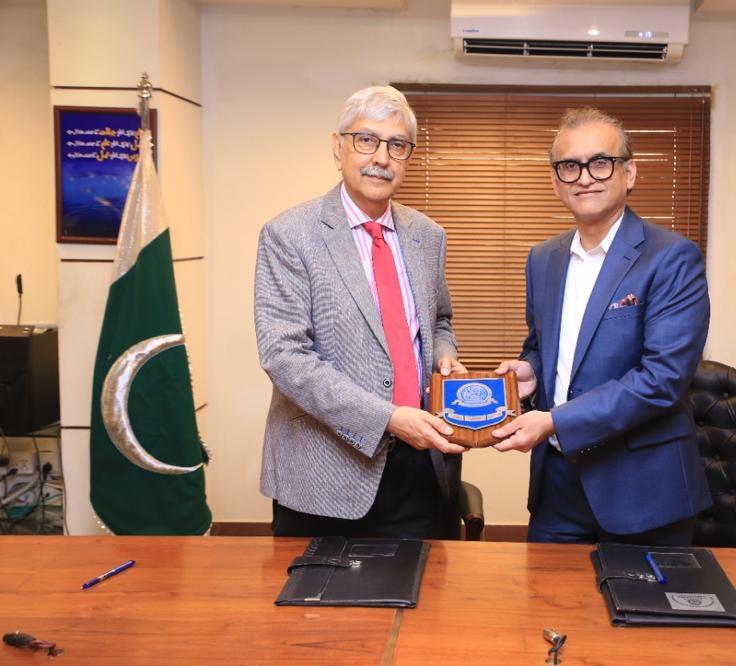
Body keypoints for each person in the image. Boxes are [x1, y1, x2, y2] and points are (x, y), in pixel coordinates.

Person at [255, 85, 466, 539]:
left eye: (397, 145)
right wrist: (386, 418)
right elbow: (284, 357)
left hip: (422, 467)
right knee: (322, 609)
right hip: (326, 474)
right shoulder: (290, 234)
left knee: (427, 603)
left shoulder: (428, 236)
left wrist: (445, 358)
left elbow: (440, 321)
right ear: (338, 148)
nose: (381, 157)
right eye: (366, 140)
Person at [493, 107, 711, 545]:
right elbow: (541, 345)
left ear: (629, 172)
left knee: (642, 614)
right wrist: (531, 370)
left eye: (600, 162)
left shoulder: (671, 258)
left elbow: (662, 380)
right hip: (557, 489)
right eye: (569, 166)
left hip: (643, 493)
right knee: (547, 611)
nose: (584, 177)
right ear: (555, 182)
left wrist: (554, 420)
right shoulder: (542, 260)